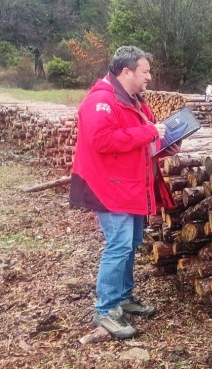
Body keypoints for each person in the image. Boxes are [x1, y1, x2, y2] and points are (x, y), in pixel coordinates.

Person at [69, 46, 179, 338]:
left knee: (130, 243)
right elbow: (103, 140)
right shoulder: (101, 101)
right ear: (127, 72)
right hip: (109, 187)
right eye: (145, 72)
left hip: (129, 185)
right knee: (118, 245)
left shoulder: (133, 100)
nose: (149, 77)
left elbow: (142, 141)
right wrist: (149, 133)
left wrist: (168, 142)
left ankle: (123, 297)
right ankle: (105, 310)